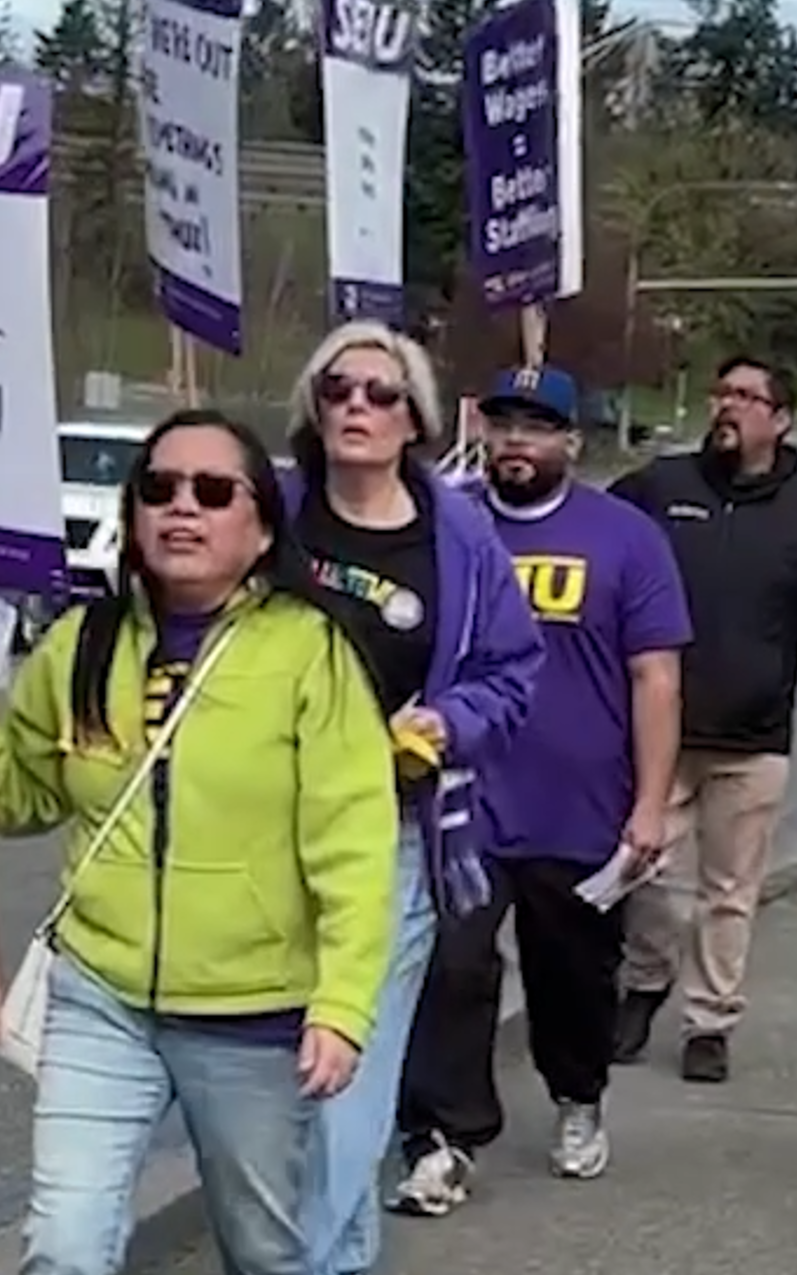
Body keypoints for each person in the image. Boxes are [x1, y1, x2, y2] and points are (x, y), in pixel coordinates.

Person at [0, 408, 398, 1275]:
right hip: (103, 999)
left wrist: (343, 1007)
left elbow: (356, 847)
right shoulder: (80, 644)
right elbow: (18, 799)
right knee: (64, 1246)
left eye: (213, 492)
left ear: (257, 530)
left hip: (254, 1015)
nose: (183, 508)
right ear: (133, 515)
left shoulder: (310, 652)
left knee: (266, 1254)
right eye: (159, 489)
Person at [386, 364, 692, 1217]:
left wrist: (651, 804)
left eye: (538, 427)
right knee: (453, 970)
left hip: (582, 807)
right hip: (464, 804)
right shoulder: (447, 528)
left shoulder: (626, 538)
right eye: (505, 424)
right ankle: (443, 1139)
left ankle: (577, 1096)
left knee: (573, 978)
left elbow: (656, 677)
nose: (517, 442)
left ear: (572, 442)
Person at [281, 321, 545, 1275]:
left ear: (416, 420)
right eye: (338, 388)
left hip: (390, 843)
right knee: (272, 1098)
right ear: (315, 406)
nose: (357, 405)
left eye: (380, 394)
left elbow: (516, 668)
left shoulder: (462, 534)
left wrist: (446, 721)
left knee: (343, 1086)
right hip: (262, 840)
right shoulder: (273, 510)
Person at [606, 353, 797, 1084]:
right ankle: (645, 984)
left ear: (781, 421)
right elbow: (595, 547)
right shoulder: (660, 488)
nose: (729, 406)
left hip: (753, 742)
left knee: (729, 891)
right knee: (648, 876)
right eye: (723, 392)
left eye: (749, 397)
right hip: (661, 733)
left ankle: (710, 1020)